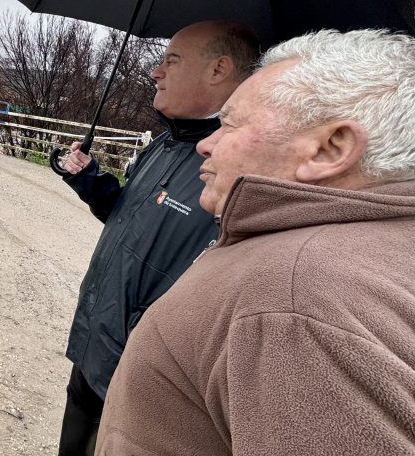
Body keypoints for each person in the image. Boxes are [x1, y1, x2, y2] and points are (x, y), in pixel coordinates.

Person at [95, 29, 415, 455]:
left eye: (229, 124)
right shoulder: (371, 245)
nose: (207, 145)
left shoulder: (299, 295)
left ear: (329, 149)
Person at [57, 20, 261, 455]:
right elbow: (134, 219)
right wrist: (91, 182)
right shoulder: (165, 143)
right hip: (96, 345)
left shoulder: (239, 171)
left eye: (171, 61)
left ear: (218, 69)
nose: (155, 73)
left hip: (144, 380)